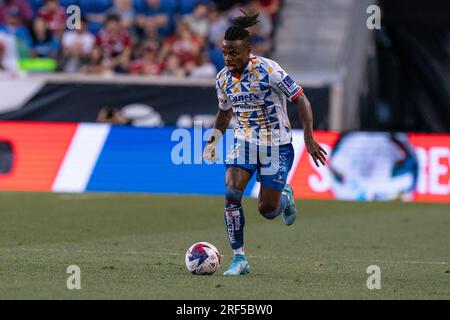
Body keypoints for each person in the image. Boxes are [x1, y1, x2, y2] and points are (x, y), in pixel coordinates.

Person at [203, 11, 327, 276]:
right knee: (231, 193)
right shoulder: (222, 79)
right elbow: (225, 112)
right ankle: (239, 259)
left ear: (248, 50)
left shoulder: (270, 70)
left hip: (277, 145)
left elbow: (301, 100)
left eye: (234, 53)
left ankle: (285, 196)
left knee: (267, 210)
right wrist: (213, 141)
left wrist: (308, 137)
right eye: (225, 53)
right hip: (245, 141)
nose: (228, 58)